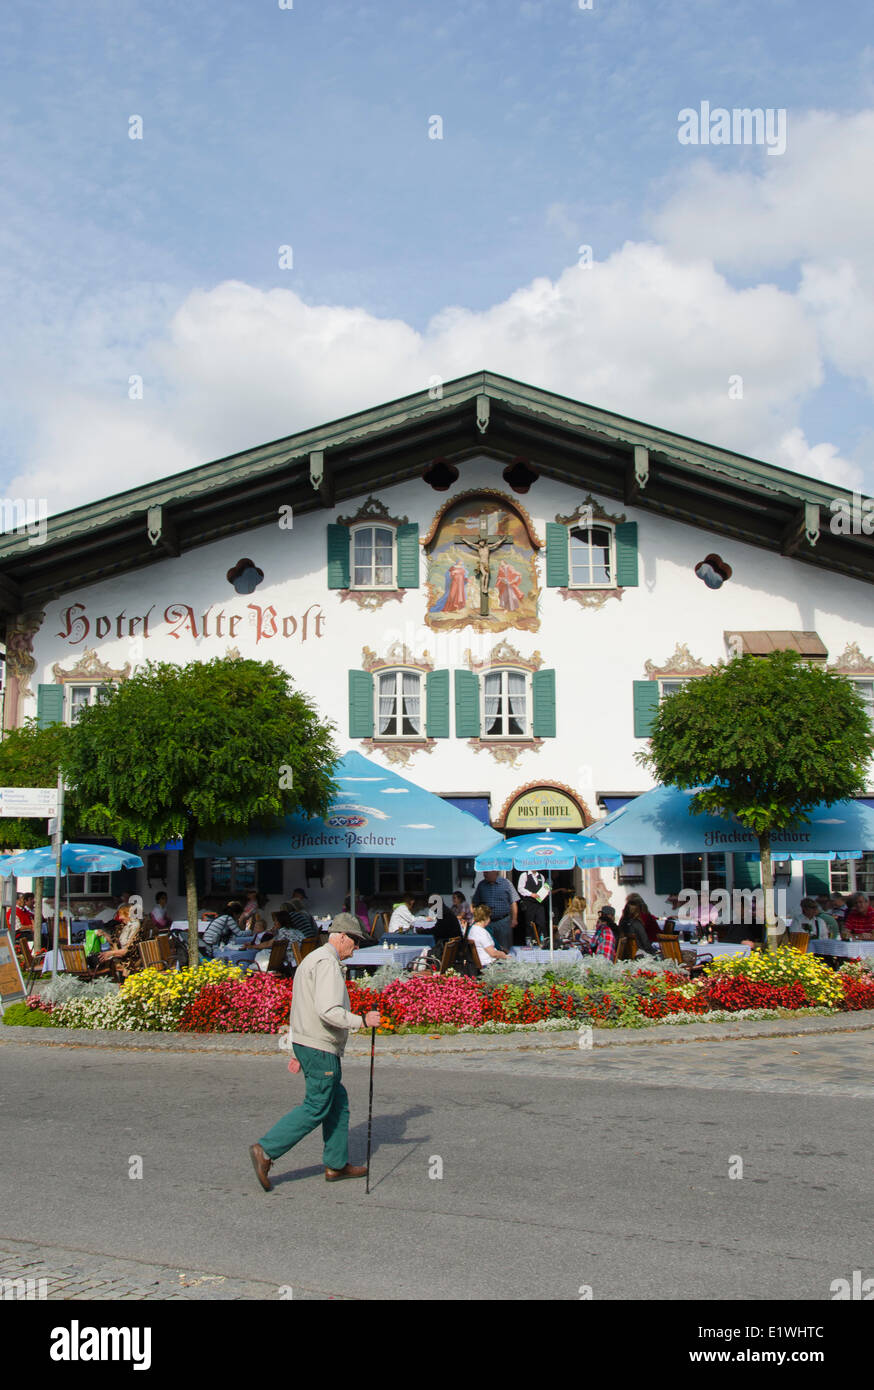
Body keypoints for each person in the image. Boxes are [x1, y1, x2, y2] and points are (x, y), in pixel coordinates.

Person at [248, 914, 382, 1192]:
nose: (356, 948)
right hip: (319, 1046)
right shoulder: (327, 964)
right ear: (342, 936)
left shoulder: (313, 958)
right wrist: (362, 1021)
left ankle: (336, 1163)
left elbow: (301, 1004)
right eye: (355, 942)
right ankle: (266, 1150)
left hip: (308, 1042)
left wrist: (297, 1047)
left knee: (337, 1101)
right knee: (316, 1105)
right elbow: (328, 1010)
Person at [471, 871, 517, 953]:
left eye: (487, 872)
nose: (484, 874)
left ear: (494, 872)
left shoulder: (506, 883)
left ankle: (505, 964)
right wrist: (475, 917)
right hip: (487, 923)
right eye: (484, 872)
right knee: (489, 947)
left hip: (503, 922)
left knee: (504, 947)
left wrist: (514, 919)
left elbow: (513, 902)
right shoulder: (481, 885)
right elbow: (474, 903)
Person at [96, 906, 143, 978]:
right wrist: (104, 934)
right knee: (102, 961)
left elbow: (128, 950)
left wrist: (111, 953)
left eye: (121, 914)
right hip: (123, 957)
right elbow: (114, 942)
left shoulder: (136, 927)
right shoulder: (124, 926)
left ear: (128, 914)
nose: (120, 918)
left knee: (108, 963)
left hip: (132, 960)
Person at [466, 904, 509, 969]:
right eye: (489, 917)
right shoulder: (481, 932)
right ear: (485, 918)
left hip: (483, 963)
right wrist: (504, 955)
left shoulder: (473, 930)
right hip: (488, 965)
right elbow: (493, 953)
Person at [516, 869, 548, 944]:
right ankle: (530, 941)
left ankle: (542, 940)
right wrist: (531, 894)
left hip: (539, 903)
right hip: (529, 903)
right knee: (529, 923)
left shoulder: (541, 876)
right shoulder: (524, 875)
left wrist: (546, 892)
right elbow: (520, 888)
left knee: (542, 922)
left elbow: (543, 888)